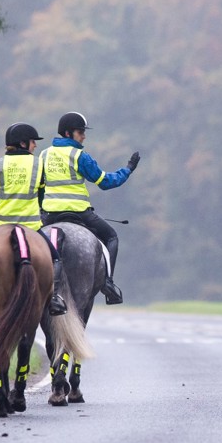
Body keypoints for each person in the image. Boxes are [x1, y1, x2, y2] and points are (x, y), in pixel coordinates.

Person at [0, 123, 68, 315]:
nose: (35, 146)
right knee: (56, 259)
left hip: (0, 223)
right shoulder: (37, 164)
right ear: (23, 143)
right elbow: (41, 196)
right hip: (31, 225)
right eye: (33, 142)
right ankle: (55, 299)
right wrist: (36, 211)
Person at [39, 112, 139, 305]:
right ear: (68, 133)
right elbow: (105, 182)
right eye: (80, 132)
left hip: (49, 216)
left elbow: (38, 186)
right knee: (111, 237)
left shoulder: (44, 154)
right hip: (78, 212)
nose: (84, 136)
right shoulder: (79, 156)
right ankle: (108, 284)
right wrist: (128, 169)